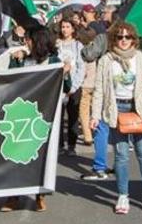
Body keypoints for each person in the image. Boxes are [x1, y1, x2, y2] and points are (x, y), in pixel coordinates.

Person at [91, 21, 142, 215]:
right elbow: (99, 90)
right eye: (120, 37)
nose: (124, 41)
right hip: (116, 109)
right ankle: (123, 196)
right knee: (121, 156)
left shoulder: (140, 58)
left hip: (138, 109)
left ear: (134, 39)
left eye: (128, 37)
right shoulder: (106, 60)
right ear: (114, 38)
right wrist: (95, 116)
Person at [1, 26, 61, 212]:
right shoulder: (23, 59)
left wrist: (64, 71)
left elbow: (63, 84)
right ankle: (13, 196)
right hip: (22, 115)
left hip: (44, 115)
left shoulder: (53, 60)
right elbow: (12, 81)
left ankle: (39, 195)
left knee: (40, 156)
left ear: (38, 41)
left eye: (28, 39)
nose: (25, 43)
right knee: (17, 156)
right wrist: (14, 61)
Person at [81, 31, 111, 181]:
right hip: (125, 87)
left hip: (106, 85)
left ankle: (100, 167)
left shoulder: (104, 37)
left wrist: (88, 46)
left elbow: (88, 54)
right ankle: (117, 165)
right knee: (118, 130)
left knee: (101, 125)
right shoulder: (138, 36)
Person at [57, 20, 85, 156]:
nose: (65, 29)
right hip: (59, 86)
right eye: (63, 27)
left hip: (74, 86)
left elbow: (81, 67)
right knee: (59, 117)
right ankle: (60, 144)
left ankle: (72, 145)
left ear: (73, 29)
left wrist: (74, 86)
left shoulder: (78, 45)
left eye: (67, 27)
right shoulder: (57, 45)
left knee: (73, 116)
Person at [75, 27, 98, 146]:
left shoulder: (82, 51)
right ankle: (95, 131)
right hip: (95, 84)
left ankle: (87, 136)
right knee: (95, 109)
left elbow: (82, 71)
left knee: (83, 112)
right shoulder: (95, 50)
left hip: (84, 85)